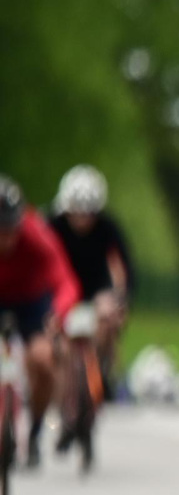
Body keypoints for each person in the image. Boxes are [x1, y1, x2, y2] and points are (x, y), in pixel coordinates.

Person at [0, 177, 78, 466]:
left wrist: (58, 313)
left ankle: (33, 431)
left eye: (11, 230)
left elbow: (66, 281)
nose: (6, 239)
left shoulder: (36, 233)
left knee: (44, 361)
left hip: (31, 303)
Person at [49, 166, 130, 436]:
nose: (83, 220)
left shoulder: (108, 227)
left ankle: (104, 370)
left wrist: (121, 299)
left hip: (96, 290)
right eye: (77, 213)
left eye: (89, 214)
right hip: (61, 290)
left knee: (108, 322)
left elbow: (125, 267)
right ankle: (63, 402)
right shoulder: (52, 225)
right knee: (60, 344)